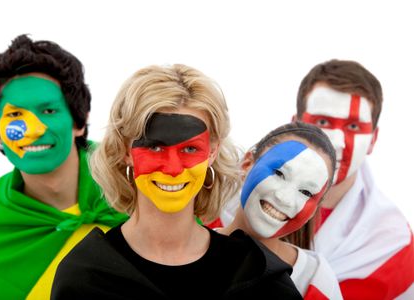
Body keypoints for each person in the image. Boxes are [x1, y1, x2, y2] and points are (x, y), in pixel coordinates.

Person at [51, 64, 302, 299]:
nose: (173, 169)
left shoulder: (256, 276)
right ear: (126, 151)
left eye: (191, 149)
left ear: (212, 152)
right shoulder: (86, 276)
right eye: (155, 147)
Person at [0, 34, 128, 299]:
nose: (34, 130)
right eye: (16, 115)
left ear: (79, 122)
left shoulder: (139, 186)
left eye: (49, 111)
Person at [295, 59, 414, 299]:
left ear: (373, 139)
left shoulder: (394, 245)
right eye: (322, 122)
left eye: (353, 126)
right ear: (295, 125)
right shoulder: (231, 200)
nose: (336, 142)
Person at [219, 122, 343, 299]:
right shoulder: (189, 249)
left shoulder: (316, 279)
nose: (284, 198)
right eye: (279, 174)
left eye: (305, 192)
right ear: (247, 165)